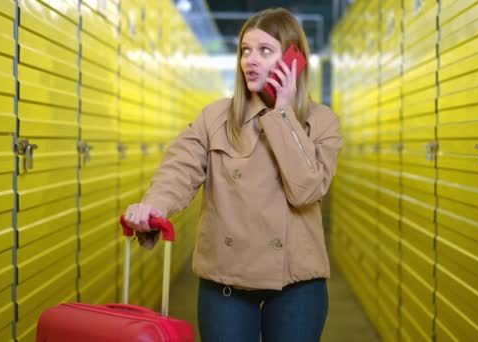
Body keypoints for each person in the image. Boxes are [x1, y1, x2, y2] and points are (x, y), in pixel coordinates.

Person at [124, 7, 343, 342]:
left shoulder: (321, 122)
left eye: (265, 51)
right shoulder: (215, 118)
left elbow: (306, 190)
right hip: (225, 279)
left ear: (292, 60)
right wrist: (154, 205)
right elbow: (179, 169)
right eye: (245, 50)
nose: (250, 60)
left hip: (296, 283)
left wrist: (282, 114)